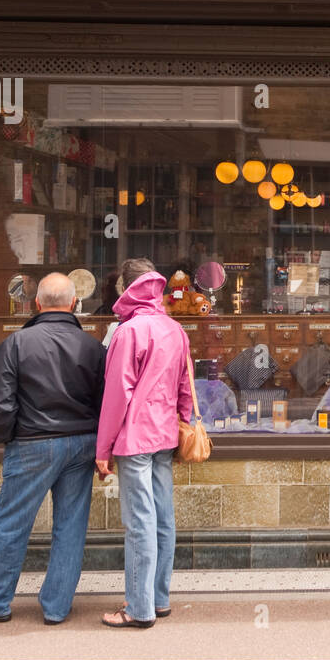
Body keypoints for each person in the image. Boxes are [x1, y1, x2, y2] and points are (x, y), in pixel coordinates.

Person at [0, 272, 105, 624]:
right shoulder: (93, 347)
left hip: (32, 442)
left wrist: (5, 436)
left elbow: (0, 406)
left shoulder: (16, 343)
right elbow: (105, 401)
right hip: (82, 442)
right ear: (74, 304)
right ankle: (57, 607)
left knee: (13, 523)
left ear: (37, 304)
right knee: (71, 527)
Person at [97, 257, 193, 629]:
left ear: (127, 287)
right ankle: (159, 598)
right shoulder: (174, 328)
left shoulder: (128, 331)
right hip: (165, 435)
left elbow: (117, 396)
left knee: (139, 522)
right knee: (163, 519)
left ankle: (138, 608)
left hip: (135, 438)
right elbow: (186, 387)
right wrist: (182, 423)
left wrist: (102, 449)